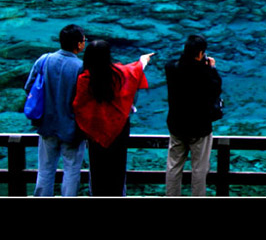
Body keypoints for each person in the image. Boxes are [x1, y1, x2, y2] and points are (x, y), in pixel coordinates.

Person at [72, 40, 153, 196]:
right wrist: (143, 60)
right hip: (119, 129)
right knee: (117, 167)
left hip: (95, 131)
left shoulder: (84, 79)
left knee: (97, 168)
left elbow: (78, 106)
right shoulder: (118, 74)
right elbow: (134, 71)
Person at [24, 24, 88, 196]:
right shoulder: (81, 67)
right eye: (83, 40)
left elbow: (29, 87)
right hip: (71, 128)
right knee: (72, 170)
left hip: (46, 125)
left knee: (45, 169)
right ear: (78, 44)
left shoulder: (44, 60)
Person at [164, 34, 223, 197]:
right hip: (200, 127)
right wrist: (211, 68)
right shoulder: (205, 73)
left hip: (177, 125)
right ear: (200, 53)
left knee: (174, 166)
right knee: (199, 169)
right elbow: (216, 88)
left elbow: (180, 66)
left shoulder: (171, 68)